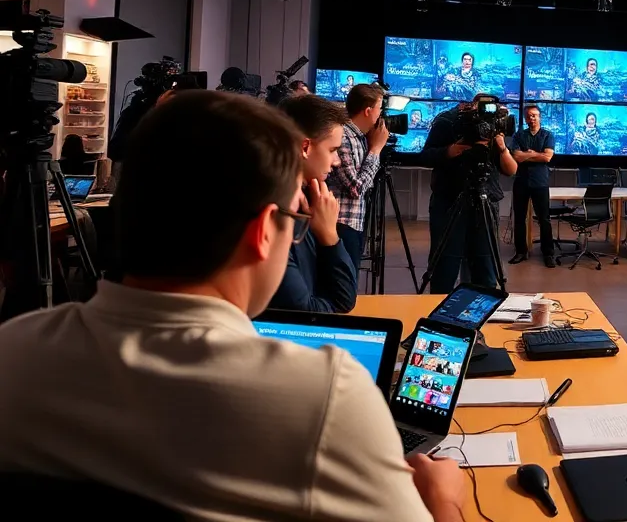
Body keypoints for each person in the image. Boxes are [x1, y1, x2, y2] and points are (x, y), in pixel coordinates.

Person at [0, 91, 465, 520]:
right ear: (263, 231)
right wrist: (442, 498)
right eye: (295, 218)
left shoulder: (13, 352)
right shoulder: (325, 393)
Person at [419, 95, 518, 293]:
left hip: (485, 199)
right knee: (445, 266)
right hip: (450, 201)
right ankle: (439, 307)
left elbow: (511, 169)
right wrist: (452, 150)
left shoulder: (496, 125)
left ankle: (483, 305)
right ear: (471, 106)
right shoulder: (448, 122)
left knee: (485, 266)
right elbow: (425, 157)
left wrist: (501, 147)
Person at [270, 95, 358, 312]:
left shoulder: (308, 204)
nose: (337, 161)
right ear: (305, 147)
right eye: (332, 150)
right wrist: (330, 237)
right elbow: (308, 310)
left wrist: (327, 234)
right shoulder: (275, 216)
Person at [327, 84, 389, 270]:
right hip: (342, 223)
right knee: (344, 278)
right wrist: (376, 150)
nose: (381, 115)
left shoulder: (360, 137)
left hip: (353, 222)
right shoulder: (344, 137)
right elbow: (356, 188)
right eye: (379, 109)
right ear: (368, 111)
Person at [509, 105, 557, 267]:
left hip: (540, 182)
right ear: (525, 118)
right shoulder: (519, 135)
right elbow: (516, 156)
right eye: (529, 116)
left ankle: (548, 253)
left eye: (534, 115)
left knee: (544, 219)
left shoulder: (547, 135)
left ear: (540, 117)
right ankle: (521, 252)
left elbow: (547, 157)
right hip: (521, 181)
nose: (532, 118)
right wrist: (536, 154)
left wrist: (528, 155)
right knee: (519, 219)